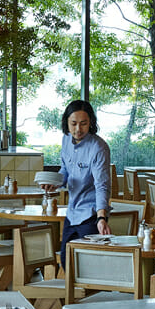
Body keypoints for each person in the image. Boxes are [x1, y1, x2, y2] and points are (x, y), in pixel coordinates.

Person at [46, 100, 111, 266]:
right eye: (73, 124)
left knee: (88, 265)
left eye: (83, 124)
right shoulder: (66, 139)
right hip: (72, 212)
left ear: (91, 123)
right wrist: (55, 183)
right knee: (65, 260)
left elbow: (102, 185)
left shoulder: (98, 147)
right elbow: (65, 170)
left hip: (90, 215)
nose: (78, 129)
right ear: (66, 123)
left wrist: (101, 217)